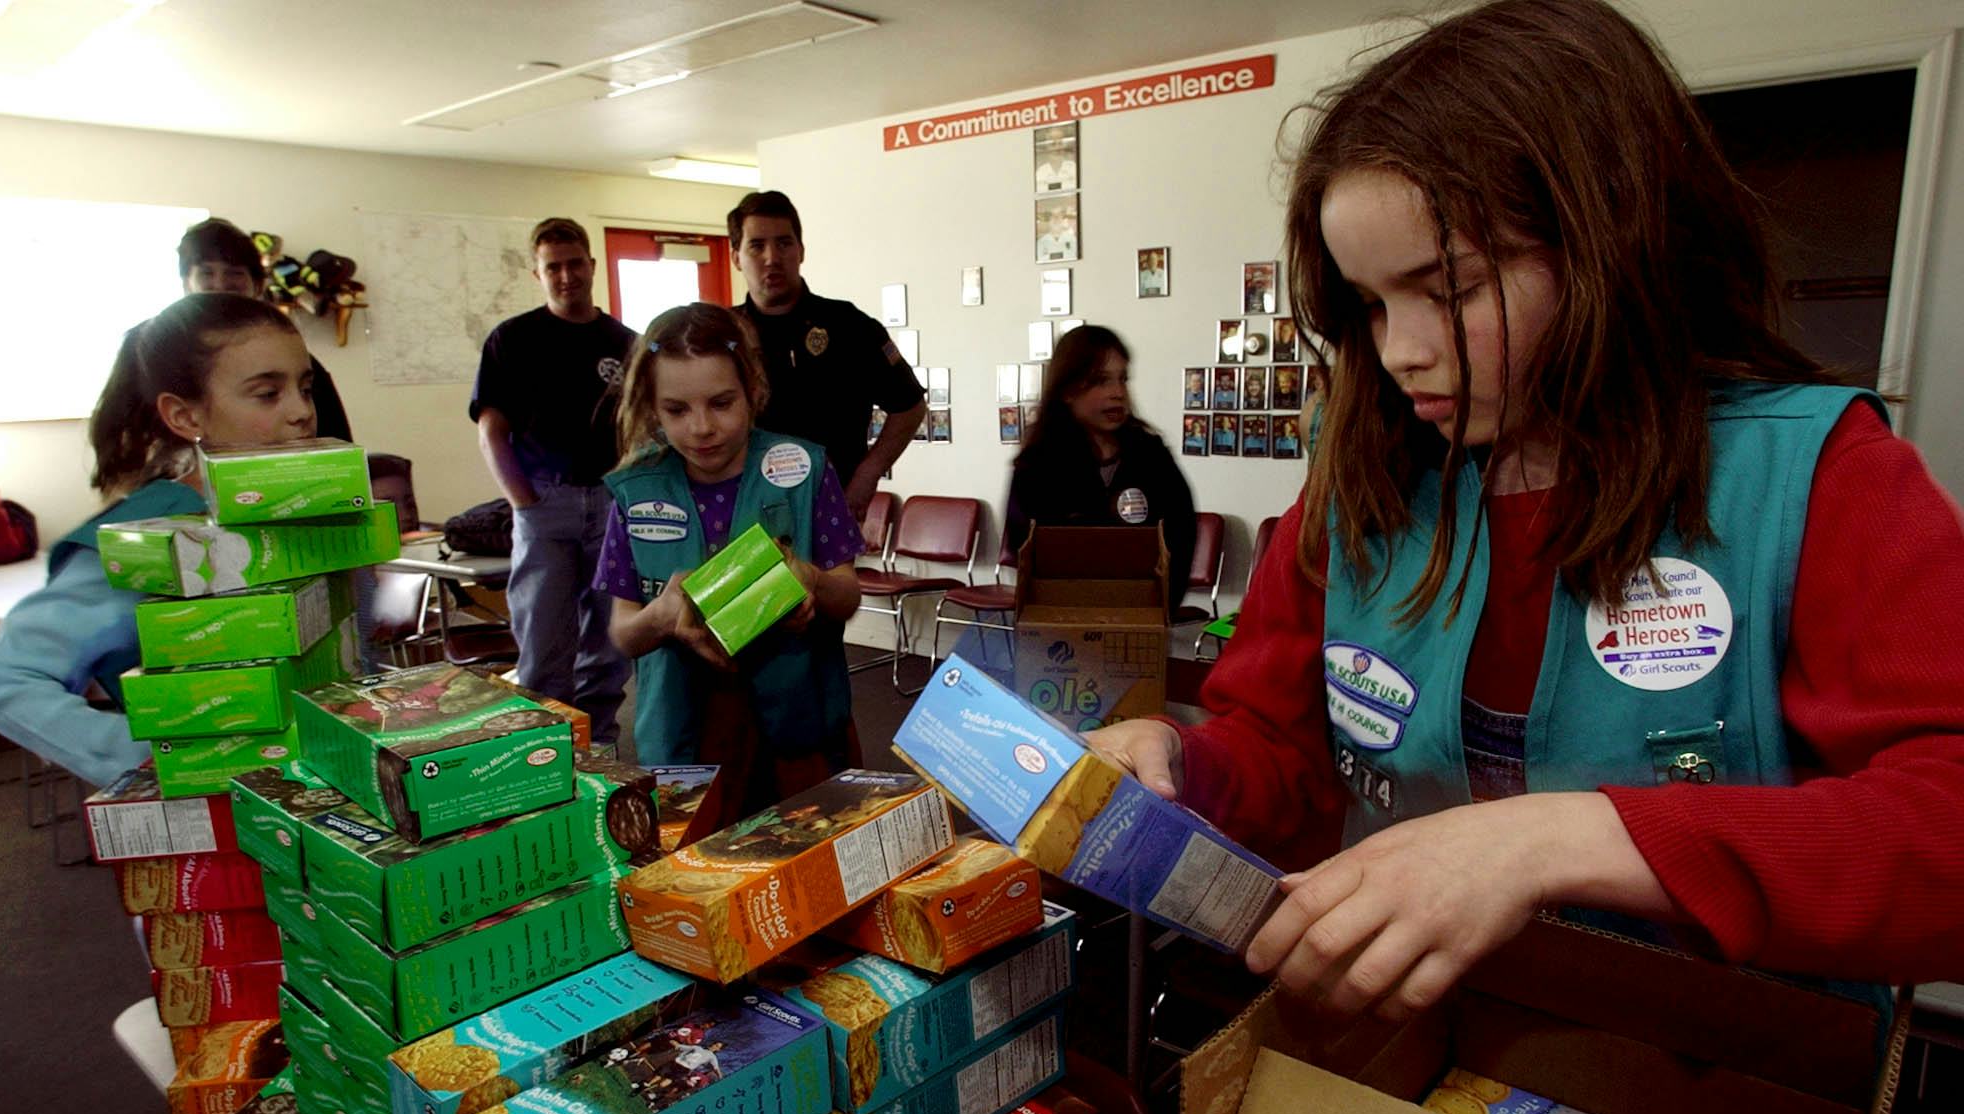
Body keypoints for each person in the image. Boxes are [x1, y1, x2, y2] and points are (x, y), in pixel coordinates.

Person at [1087, 0, 1964, 1031]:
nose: (1398, 350)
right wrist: (1179, 755)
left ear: (1612, 241)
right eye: (1368, 305)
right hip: (1421, 1058)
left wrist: (1561, 840)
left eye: (1448, 289)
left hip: (1727, 1082)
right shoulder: (1361, 492)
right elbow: (1283, 757)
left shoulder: (1822, 475)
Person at [0, 294, 314, 785]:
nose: (301, 412)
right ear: (186, 417)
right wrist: (148, 761)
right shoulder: (152, 534)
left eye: (306, 387)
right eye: (267, 394)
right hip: (224, 814)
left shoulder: (300, 510)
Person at [597, 303, 863, 813]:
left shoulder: (804, 469)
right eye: (676, 410)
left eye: (722, 403)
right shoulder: (634, 490)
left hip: (798, 724)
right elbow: (623, 632)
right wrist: (664, 615)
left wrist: (809, 579)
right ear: (653, 407)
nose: (702, 427)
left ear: (753, 390)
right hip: (685, 734)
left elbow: (847, 594)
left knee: (807, 856)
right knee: (703, 871)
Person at [471, 217, 635, 750]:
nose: (566, 276)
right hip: (546, 503)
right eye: (553, 267)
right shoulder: (513, 340)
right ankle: (543, 753)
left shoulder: (624, 342)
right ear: (538, 273)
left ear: (591, 265)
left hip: (611, 504)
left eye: (574, 264)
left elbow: (643, 427)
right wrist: (524, 501)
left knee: (608, 646)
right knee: (543, 645)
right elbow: (492, 430)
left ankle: (601, 746)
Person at [730, 191, 927, 521]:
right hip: (744, 508)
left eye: (784, 243)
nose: (771, 257)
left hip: (830, 507)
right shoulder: (723, 336)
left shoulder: (850, 326)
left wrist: (868, 475)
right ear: (736, 256)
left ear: (801, 250)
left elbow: (909, 406)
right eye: (756, 245)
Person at [1002, 326, 1197, 611]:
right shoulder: (1040, 464)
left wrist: (1162, 604)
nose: (1117, 393)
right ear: (1068, 390)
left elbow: (1182, 534)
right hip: (1062, 622)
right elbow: (1022, 545)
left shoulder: (1151, 456)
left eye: (1122, 379)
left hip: (1140, 615)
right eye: (1101, 381)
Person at [173, 217, 352, 442]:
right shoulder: (159, 357)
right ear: (186, 282)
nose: (220, 284)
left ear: (257, 285)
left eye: (234, 273)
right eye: (206, 273)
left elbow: (337, 448)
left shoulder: (298, 362)